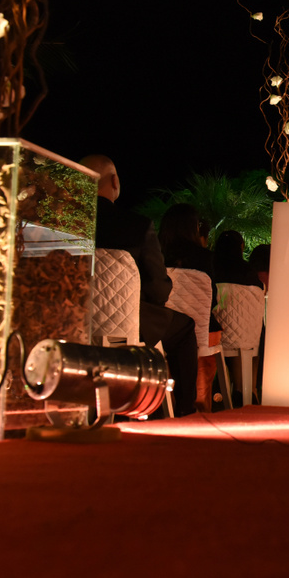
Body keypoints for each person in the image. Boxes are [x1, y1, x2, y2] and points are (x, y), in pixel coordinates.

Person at [80, 155, 198, 417]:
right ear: (115, 181)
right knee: (186, 327)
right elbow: (158, 289)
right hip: (127, 319)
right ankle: (185, 412)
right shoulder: (136, 226)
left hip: (72, 319)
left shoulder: (63, 224)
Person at [158, 203, 220, 413]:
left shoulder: (157, 255)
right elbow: (213, 301)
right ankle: (202, 403)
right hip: (198, 331)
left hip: (159, 329)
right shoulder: (205, 258)